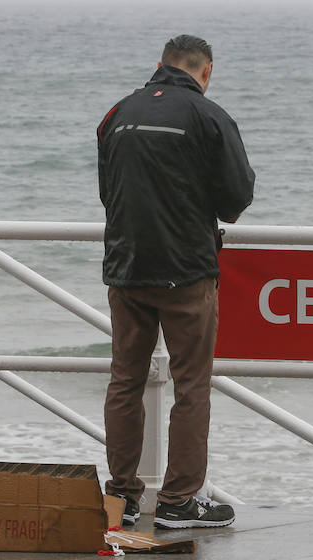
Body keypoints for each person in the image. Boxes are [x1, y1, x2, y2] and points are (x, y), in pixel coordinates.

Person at [97, 35, 256, 529]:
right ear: (206, 70)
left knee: (126, 380)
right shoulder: (210, 118)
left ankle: (121, 497)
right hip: (186, 270)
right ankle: (178, 500)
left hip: (125, 266)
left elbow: (108, 191)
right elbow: (236, 197)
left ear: (159, 65)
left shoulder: (118, 113)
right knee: (192, 386)